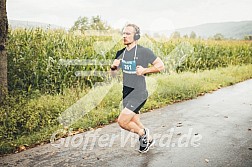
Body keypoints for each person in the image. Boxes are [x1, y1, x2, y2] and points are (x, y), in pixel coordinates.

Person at [110, 23, 165, 153]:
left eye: (128, 33)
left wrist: (145, 70)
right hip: (126, 92)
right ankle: (149, 138)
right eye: (123, 33)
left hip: (139, 93)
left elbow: (161, 66)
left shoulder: (143, 51)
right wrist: (113, 67)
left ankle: (143, 135)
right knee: (134, 121)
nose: (124, 36)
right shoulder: (120, 53)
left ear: (137, 36)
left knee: (122, 121)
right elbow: (113, 75)